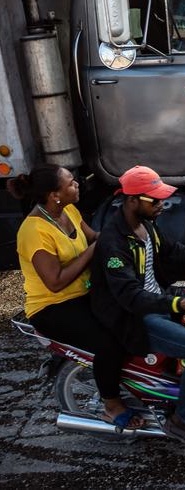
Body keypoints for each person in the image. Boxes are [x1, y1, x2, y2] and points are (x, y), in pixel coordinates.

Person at [91, 166, 185, 449]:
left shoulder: (145, 225)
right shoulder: (114, 243)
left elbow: (175, 251)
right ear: (132, 200)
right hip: (133, 316)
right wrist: (180, 302)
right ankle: (183, 421)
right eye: (155, 200)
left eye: (161, 199)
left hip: (156, 298)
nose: (162, 205)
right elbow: (130, 297)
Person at [9, 166, 142, 431]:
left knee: (138, 315)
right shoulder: (33, 231)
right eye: (71, 183)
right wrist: (94, 250)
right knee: (109, 342)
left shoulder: (68, 210)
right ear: (54, 195)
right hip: (53, 307)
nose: (77, 185)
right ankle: (111, 405)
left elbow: (95, 237)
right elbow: (55, 281)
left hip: (85, 292)